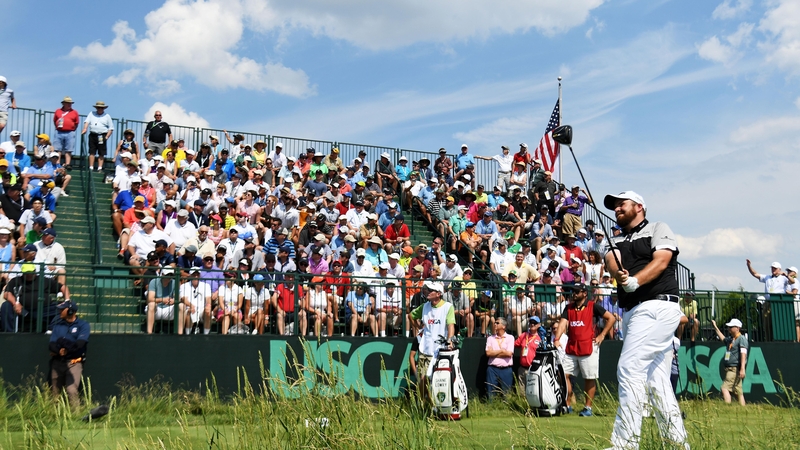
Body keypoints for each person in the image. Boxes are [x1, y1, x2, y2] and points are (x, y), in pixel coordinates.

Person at [603, 191, 688, 449]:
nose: (617, 209)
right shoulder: (616, 239)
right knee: (657, 381)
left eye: (622, 204)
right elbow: (610, 263)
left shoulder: (658, 228)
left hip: (656, 306)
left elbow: (662, 261)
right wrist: (621, 275)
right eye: (614, 206)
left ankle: (625, 444)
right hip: (633, 312)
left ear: (639, 206)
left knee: (629, 369)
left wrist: (636, 281)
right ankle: (677, 444)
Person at [554, 284, 615, 416]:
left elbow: (611, 318)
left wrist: (602, 335)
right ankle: (567, 404)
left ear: (584, 293)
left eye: (577, 291)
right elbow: (563, 323)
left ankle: (588, 408)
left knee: (589, 377)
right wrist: (557, 338)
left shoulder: (593, 306)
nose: (574, 294)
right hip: (571, 346)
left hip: (589, 346)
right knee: (563, 376)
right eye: (573, 291)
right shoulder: (568, 307)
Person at [409, 281, 454, 389]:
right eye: (427, 290)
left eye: (430, 290)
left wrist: (450, 340)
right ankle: (426, 405)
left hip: (440, 351)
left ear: (438, 293)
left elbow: (450, 325)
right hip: (425, 349)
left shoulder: (448, 307)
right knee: (422, 383)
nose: (427, 292)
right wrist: (419, 328)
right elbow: (410, 316)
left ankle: (436, 405)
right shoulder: (424, 306)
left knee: (438, 383)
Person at [48, 300, 89, 408]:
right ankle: (53, 415)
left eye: (62, 309)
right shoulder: (58, 326)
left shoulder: (83, 325)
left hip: (74, 362)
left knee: (71, 390)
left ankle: (75, 415)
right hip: (58, 361)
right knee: (54, 392)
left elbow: (80, 344)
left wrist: (65, 347)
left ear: (71, 311)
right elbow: (52, 344)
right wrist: (59, 351)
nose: (60, 311)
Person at [711, 318, 748, 406]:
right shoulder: (731, 339)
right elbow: (723, 338)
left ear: (737, 328)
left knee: (724, 388)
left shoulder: (741, 339)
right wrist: (715, 327)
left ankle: (727, 407)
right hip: (730, 368)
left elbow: (743, 354)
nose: (729, 329)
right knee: (738, 391)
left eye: (731, 327)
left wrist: (742, 368)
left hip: (734, 368)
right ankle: (743, 408)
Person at [485, 317, 515, 400]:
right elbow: (488, 353)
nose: (495, 324)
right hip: (492, 369)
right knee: (490, 394)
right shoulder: (490, 338)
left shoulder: (510, 338)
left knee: (507, 394)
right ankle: (491, 409)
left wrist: (494, 353)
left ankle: (506, 410)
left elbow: (509, 353)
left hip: (506, 369)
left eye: (497, 323)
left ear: (504, 326)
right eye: (495, 323)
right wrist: (502, 350)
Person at [178, 268, 213, 335]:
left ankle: (206, 335)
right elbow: (184, 299)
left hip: (201, 310)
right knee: (189, 311)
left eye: (197, 275)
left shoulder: (206, 285)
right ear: (190, 276)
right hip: (190, 308)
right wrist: (191, 305)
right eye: (194, 275)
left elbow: (208, 298)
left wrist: (208, 305)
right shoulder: (184, 286)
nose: (196, 276)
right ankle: (188, 334)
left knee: (208, 311)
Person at [81, 101, 114, 172]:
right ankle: (91, 167)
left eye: (101, 108)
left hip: (102, 135)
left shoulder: (107, 116)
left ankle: (99, 168)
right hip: (93, 134)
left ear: (103, 108)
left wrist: (107, 137)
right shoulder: (91, 114)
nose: (100, 109)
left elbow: (111, 128)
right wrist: (85, 128)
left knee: (101, 152)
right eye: (98, 107)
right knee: (92, 151)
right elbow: (87, 122)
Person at [145, 267, 178, 334]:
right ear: (162, 274)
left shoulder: (174, 282)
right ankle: (149, 333)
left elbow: (178, 297)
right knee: (151, 304)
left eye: (171, 275)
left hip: (169, 309)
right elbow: (150, 299)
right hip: (157, 309)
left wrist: (173, 301)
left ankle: (179, 334)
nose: (169, 277)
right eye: (167, 275)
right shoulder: (154, 281)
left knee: (181, 306)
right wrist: (162, 300)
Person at [514, 316, 543, 385]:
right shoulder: (524, 335)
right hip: (522, 368)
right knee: (521, 393)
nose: (532, 324)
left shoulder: (540, 338)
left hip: (533, 369)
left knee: (532, 391)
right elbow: (515, 345)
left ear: (539, 325)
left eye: (534, 323)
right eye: (531, 322)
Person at [53, 97, 80, 169]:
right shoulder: (58, 111)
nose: (69, 104)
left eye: (70, 103)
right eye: (68, 103)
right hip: (59, 131)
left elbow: (76, 123)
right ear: (63, 104)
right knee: (58, 149)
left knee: (69, 149)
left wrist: (72, 128)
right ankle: (57, 163)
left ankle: (68, 164)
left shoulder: (74, 112)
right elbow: (55, 120)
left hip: (70, 132)